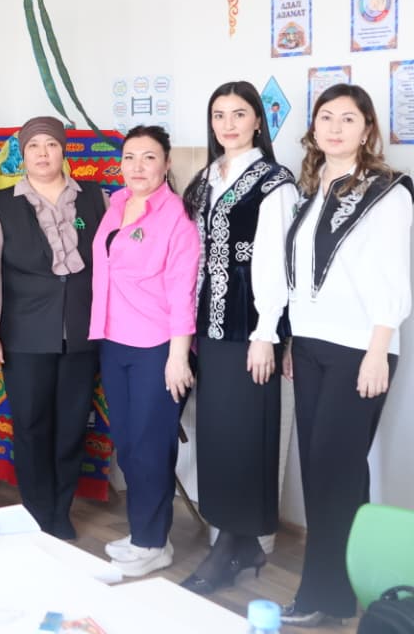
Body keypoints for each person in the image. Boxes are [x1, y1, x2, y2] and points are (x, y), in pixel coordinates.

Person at [280, 84, 411, 627]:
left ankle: (321, 595)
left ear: (367, 129)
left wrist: (379, 351)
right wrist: (294, 340)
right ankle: (347, 589)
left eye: (348, 119)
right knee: (328, 473)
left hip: (361, 349)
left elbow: (394, 277)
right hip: (311, 346)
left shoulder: (389, 191)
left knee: (333, 475)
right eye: (326, 117)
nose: (335, 128)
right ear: (313, 128)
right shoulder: (313, 186)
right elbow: (304, 277)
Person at [179, 82, 295, 594]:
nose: (228, 124)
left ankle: (231, 546)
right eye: (219, 115)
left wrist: (267, 333)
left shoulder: (274, 182)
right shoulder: (207, 178)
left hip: (249, 329)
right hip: (210, 327)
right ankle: (239, 544)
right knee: (219, 436)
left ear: (258, 122)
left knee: (245, 435)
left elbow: (275, 262)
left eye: (239, 114)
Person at [0, 116, 107, 539]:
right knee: (31, 427)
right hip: (25, 333)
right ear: (22, 153)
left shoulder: (96, 197)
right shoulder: (1, 202)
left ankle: (61, 509)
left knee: (71, 427)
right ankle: (37, 511)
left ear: (63, 150)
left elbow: (112, 268)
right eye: (33, 146)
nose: (42, 154)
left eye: (50, 145)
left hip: (82, 332)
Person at [91, 125, 199, 577]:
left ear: (166, 164)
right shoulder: (116, 203)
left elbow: (182, 292)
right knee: (128, 444)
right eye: (130, 157)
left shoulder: (176, 218)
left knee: (151, 446)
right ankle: (143, 532)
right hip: (113, 341)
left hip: (157, 347)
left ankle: (153, 543)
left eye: (149, 157)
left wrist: (178, 356)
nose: (138, 166)